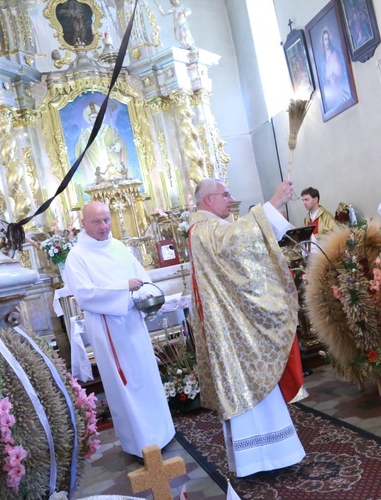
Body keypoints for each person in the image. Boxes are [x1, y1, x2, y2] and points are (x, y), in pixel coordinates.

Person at [188, 178, 307, 477]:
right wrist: (274, 203)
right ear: (207, 200)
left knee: (254, 386)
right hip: (233, 331)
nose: (231, 199)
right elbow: (239, 241)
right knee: (248, 386)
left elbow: (242, 241)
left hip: (235, 324)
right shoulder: (204, 229)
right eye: (225, 195)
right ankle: (264, 459)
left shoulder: (211, 227)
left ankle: (270, 457)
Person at [63, 201, 175, 458]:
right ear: (84, 224)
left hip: (133, 322)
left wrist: (142, 293)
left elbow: (143, 279)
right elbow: (84, 296)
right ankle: (140, 444)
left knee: (146, 376)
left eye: (106, 220)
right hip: (108, 326)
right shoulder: (77, 256)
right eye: (96, 222)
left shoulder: (120, 247)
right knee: (124, 385)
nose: (103, 227)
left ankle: (162, 433)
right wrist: (124, 288)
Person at [74, 101, 128, 185]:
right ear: (89, 119)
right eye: (92, 117)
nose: (95, 119)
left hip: (112, 165)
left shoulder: (109, 129)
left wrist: (117, 145)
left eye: (97, 116)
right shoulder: (86, 133)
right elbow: (80, 150)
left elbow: (119, 140)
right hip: (95, 165)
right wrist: (83, 142)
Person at [321, 28, 349, 111]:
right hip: (331, 89)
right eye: (325, 39)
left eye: (328, 39)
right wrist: (328, 78)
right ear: (323, 41)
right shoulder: (323, 60)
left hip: (339, 84)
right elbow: (323, 76)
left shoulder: (335, 53)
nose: (327, 41)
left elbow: (340, 69)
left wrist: (335, 76)